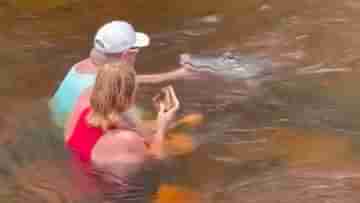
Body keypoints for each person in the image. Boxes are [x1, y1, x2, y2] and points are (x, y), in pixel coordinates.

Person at [49, 20, 195, 127]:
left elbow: (131, 79)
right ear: (126, 55)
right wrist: (170, 119)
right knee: (192, 123)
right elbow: (141, 131)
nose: (137, 52)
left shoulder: (82, 67)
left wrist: (176, 74)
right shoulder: (113, 91)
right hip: (89, 140)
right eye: (136, 49)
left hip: (63, 129)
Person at [65, 61, 179, 164]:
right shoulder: (126, 139)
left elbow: (138, 133)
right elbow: (157, 160)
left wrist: (162, 120)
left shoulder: (85, 113)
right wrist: (161, 130)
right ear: (128, 98)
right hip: (109, 186)